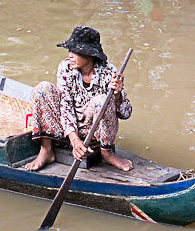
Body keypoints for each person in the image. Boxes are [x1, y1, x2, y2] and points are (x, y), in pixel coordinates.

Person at [26, 26, 133, 173]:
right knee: (42, 88)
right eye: (70, 51)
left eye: (75, 52)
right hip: (67, 128)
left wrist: (117, 95)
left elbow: (126, 114)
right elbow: (66, 105)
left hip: (94, 130)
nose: (70, 55)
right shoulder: (65, 67)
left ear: (89, 55)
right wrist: (74, 140)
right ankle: (46, 150)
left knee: (102, 100)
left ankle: (106, 154)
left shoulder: (109, 72)